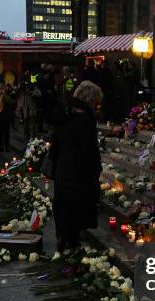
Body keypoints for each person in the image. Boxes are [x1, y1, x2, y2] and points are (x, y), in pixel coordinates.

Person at [50, 81, 103, 251]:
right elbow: (89, 149)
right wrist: (96, 168)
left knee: (64, 205)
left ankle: (63, 239)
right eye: (96, 102)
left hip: (63, 167)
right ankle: (71, 244)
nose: (96, 106)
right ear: (90, 100)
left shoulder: (63, 115)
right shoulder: (85, 119)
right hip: (79, 170)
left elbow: (55, 144)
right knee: (76, 206)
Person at [15, 72, 40, 141]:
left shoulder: (33, 86)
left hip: (31, 112)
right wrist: (19, 88)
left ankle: (33, 144)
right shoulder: (20, 88)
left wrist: (30, 92)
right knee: (25, 130)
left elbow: (38, 95)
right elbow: (14, 95)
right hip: (23, 112)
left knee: (32, 130)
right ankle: (26, 144)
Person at [0, 82, 14, 153]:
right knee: (0, 134)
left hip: (5, 118)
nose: (1, 89)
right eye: (0, 87)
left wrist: (4, 95)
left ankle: (6, 147)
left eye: (2, 88)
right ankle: (1, 147)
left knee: (6, 134)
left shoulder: (7, 95)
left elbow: (11, 102)